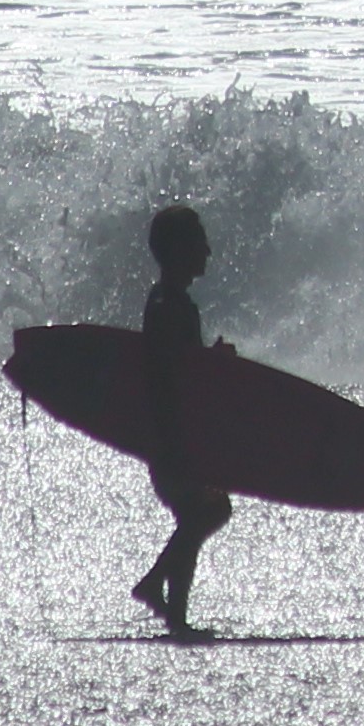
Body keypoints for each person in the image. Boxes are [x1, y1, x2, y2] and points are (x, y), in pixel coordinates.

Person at [129, 202, 233, 638]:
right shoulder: (171, 306)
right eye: (199, 243)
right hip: (173, 432)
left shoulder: (167, 301)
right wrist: (214, 362)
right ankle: (156, 587)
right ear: (178, 251)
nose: (207, 251)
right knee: (205, 510)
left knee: (199, 512)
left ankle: (174, 613)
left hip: (169, 429)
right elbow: (176, 371)